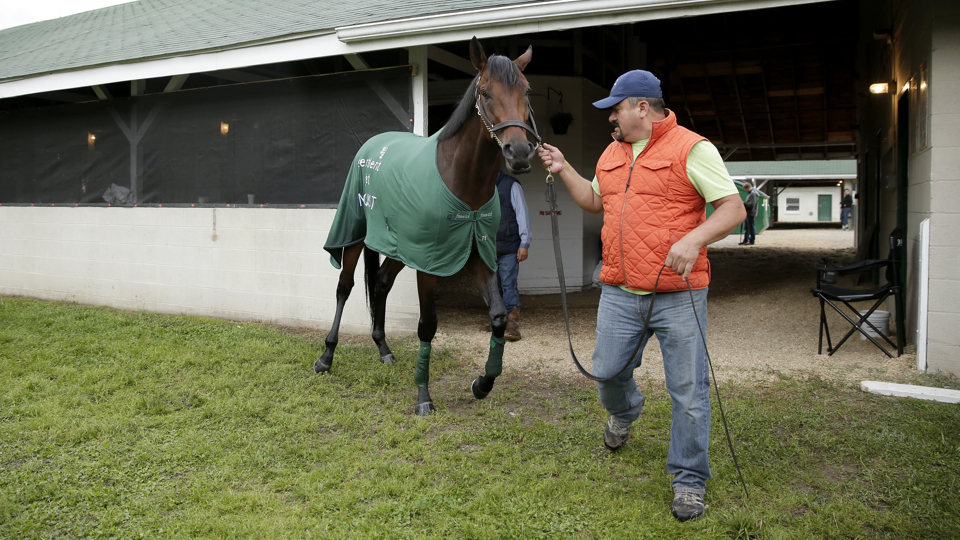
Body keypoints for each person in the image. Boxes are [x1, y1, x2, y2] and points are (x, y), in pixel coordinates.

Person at [537, 70, 745, 522]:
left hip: (678, 294)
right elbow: (595, 202)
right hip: (618, 291)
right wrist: (565, 168)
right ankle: (626, 411)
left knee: (689, 393)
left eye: (616, 108)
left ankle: (689, 480)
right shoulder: (612, 152)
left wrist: (694, 240)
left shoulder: (693, 148)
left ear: (642, 108)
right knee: (608, 373)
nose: (611, 116)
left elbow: (733, 208)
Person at [493, 170, 531, 341]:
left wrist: (525, 242)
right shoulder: (482, 184)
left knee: (508, 284)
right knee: (494, 286)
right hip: (488, 247)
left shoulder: (511, 185)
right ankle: (498, 322)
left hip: (509, 246)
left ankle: (513, 324)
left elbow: (522, 213)